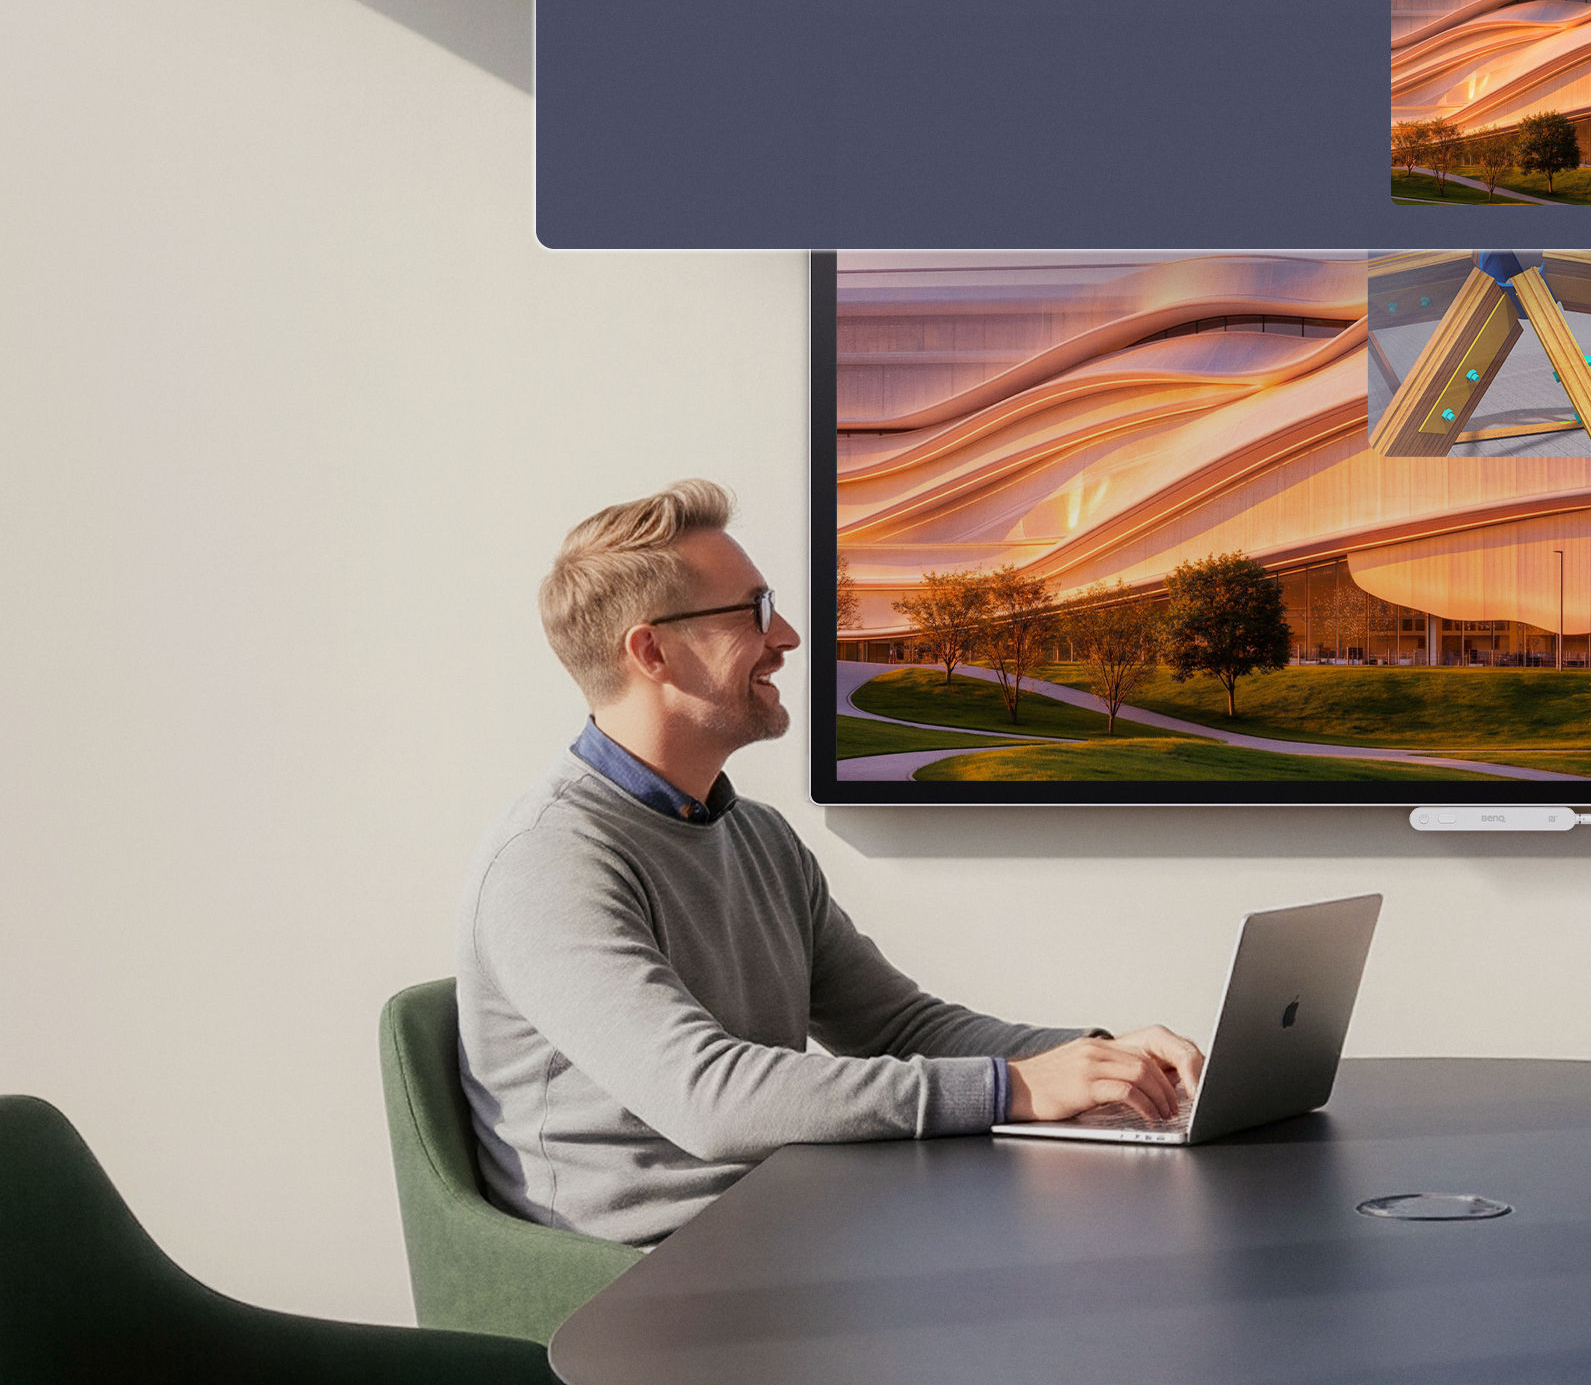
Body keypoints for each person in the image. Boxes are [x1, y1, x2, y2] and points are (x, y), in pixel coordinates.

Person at [458, 479, 1208, 1245]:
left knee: (1118, 1226)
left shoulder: (758, 838)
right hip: (644, 1288)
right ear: (653, 651)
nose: (786, 635)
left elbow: (897, 1025)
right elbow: (713, 1100)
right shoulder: (548, 862)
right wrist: (1015, 1087)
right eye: (752, 611)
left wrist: (1101, 1061)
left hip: (793, 1223)